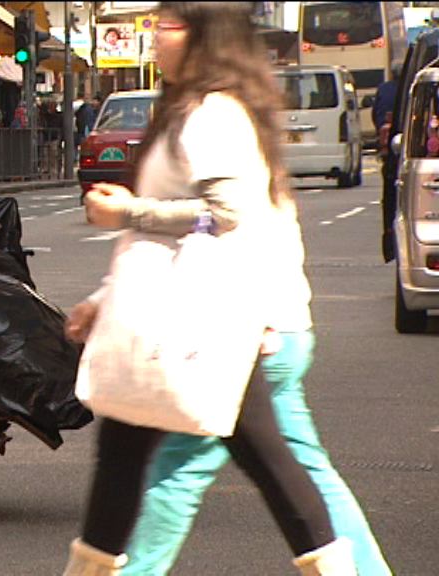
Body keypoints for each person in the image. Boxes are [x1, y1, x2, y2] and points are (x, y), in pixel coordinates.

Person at [61, 4, 355, 574]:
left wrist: (127, 211)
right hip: (199, 317)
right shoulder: (190, 107)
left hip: (202, 321)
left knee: (174, 461)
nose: (153, 38)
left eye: (165, 27)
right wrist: (102, 298)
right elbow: (161, 238)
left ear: (203, 35)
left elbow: (224, 212)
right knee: (261, 463)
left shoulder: (213, 114)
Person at [120, 206, 392, 574]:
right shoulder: (265, 173)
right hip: (284, 329)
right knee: (305, 469)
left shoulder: (227, 171)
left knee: (179, 468)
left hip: (240, 336)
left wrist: (127, 212)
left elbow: (221, 220)